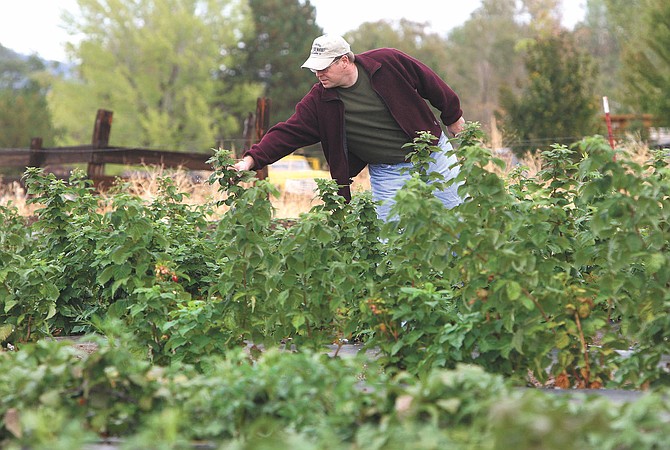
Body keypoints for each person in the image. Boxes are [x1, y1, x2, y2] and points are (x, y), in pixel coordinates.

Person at [233, 34, 465, 221]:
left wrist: (453, 116)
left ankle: (459, 279)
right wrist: (250, 160)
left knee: (457, 214)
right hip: (388, 170)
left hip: (433, 153)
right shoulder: (319, 101)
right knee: (393, 236)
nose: (318, 74)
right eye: (315, 68)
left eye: (324, 67)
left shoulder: (387, 62)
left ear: (344, 60)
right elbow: (287, 133)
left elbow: (430, 83)